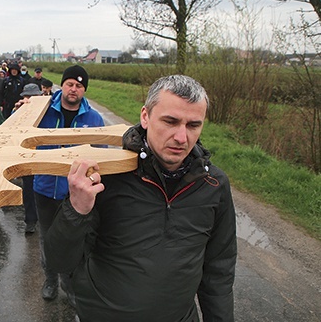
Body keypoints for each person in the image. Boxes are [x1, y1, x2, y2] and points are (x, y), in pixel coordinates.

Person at [45, 75, 237, 322]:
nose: (181, 137)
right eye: (170, 121)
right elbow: (60, 261)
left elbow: (218, 273)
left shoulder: (213, 185)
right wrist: (76, 210)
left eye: (192, 125)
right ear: (145, 117)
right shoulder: (108, 178)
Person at [33, 65, 105, 303]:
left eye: (79, 86)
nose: (74, 89)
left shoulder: (93, 119)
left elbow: (101, 156)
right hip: (44, 189)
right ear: (61, 85)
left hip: (74, 196)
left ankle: (70, 285)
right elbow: (14, 133)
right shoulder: (41, 111)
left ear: (84, 90)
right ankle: (50, 280)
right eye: (70, 84)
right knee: (47, 239)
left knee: (73, 241)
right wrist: (21, 111)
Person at [11, 83, 43, 234]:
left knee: (43, 191)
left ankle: (44, 219)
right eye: (27, 97)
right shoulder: (18, 111)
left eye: (33, 97)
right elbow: (10, 130)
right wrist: (16, 112)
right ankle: (30, 220)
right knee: (28, 191)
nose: (29, 100)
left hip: (42, 156)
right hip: (26, 157)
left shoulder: (46, 111)